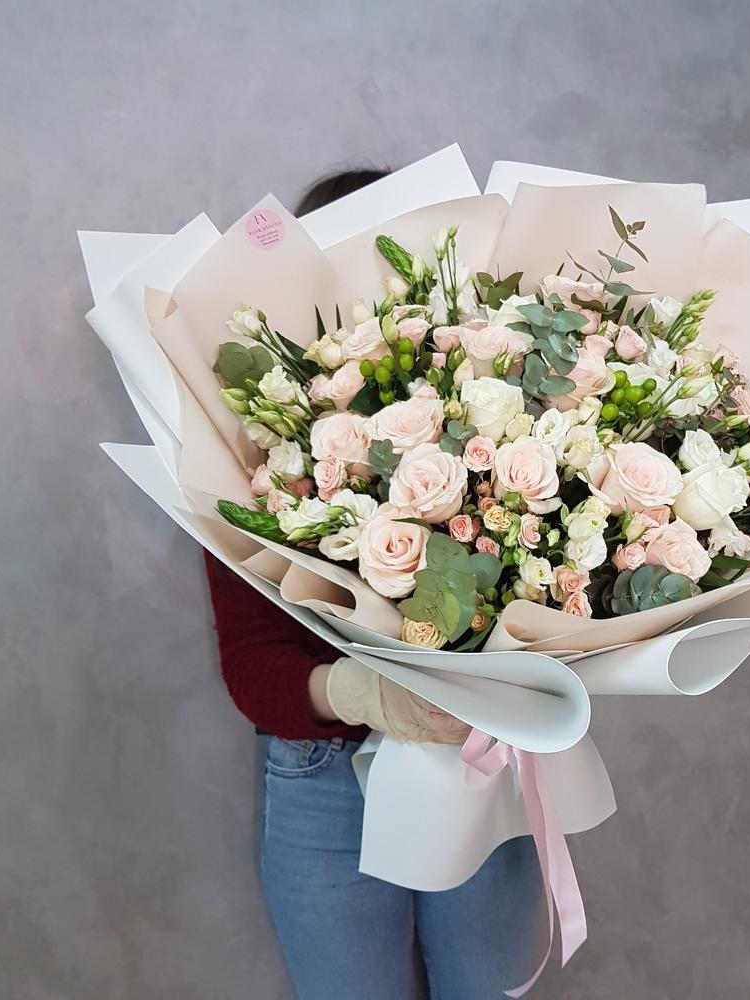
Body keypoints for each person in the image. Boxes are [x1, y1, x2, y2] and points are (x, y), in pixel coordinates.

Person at [204, 168, 541, 1000]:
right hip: (323, 776)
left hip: (473, 752)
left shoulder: (505, 427)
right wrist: (360, 692)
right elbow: (252, 665)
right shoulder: (254, 455)